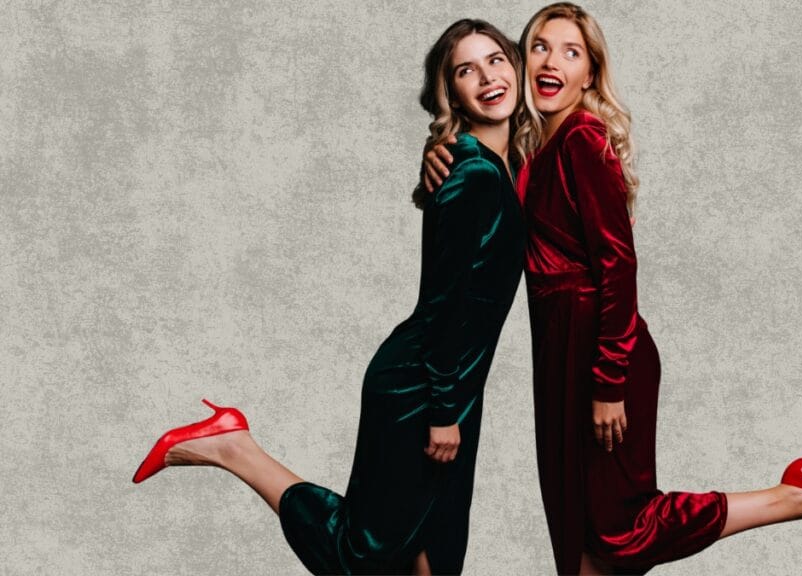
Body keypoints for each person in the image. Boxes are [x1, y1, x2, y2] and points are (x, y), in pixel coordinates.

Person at [421, 4, 802, 574]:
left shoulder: (584, 139)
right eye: (539, 46)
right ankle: (796, 491)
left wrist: (608, 382)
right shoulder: (532, 148)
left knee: (618, 532)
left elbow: (618, 265)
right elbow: (482, 179)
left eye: (571, 51)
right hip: (560, 353)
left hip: (601, 355)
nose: (551, 60)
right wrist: (441, 148)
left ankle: (798, 494)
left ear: (590, 73)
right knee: (582, 536)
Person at [132, 19, 525, 575]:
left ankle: (233, 445)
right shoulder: (471, 175)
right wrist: (441, 411)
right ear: (451, 93)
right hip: (422, 389)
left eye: (496, 60)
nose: (487, 77)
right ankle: (233, 447)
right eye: (467, 69)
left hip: (455, 390)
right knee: (363, 556)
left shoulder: (508, 164)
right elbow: (444, 302)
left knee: (432, 560)